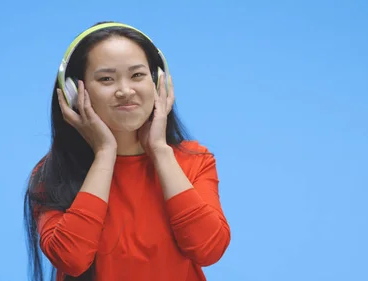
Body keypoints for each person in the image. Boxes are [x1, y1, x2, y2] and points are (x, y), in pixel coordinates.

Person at [23, 21, 231, 281]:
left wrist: (159, 150)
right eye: (106, 79)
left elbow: (209, 249)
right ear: (74, 92)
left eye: (137, 75)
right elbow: (72, 259)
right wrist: (105, 153)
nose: (125, 91)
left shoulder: (194, 161)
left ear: (158, 83)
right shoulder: (52, 174)